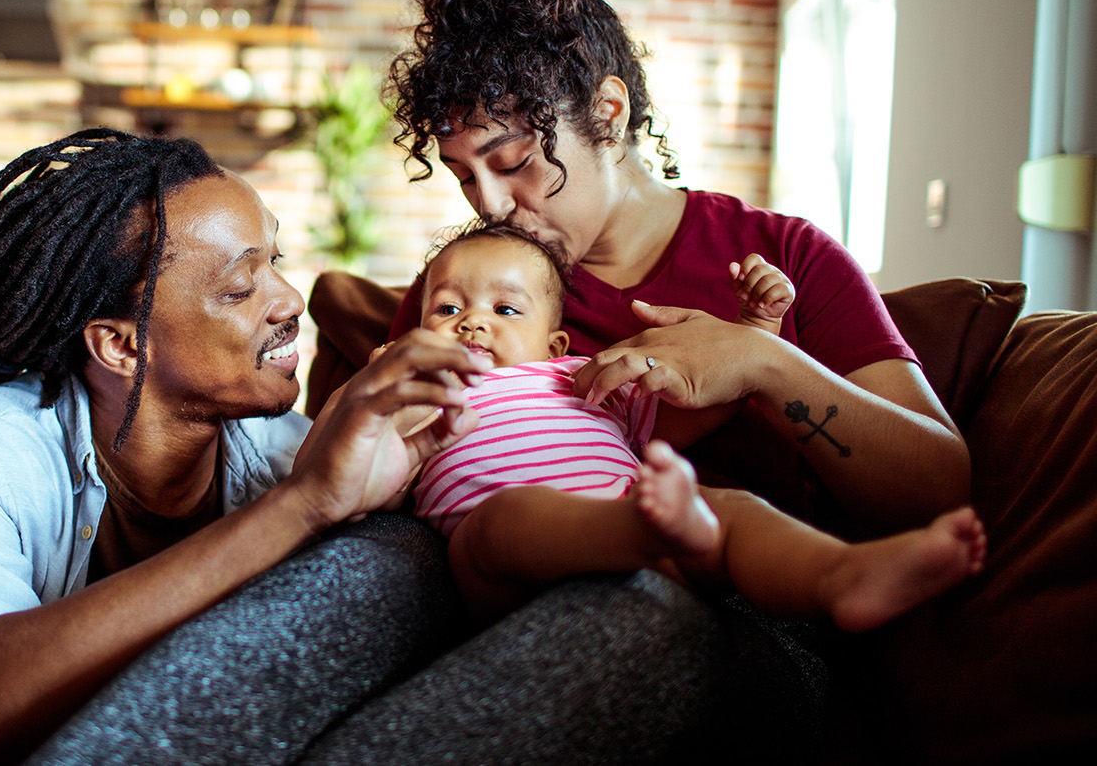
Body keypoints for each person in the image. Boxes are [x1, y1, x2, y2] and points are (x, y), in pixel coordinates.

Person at [343, 0, 973, 761]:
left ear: (608, 111)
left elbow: (939, 486)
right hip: (497, 581)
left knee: (626, 613)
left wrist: (760, 357)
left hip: (730, 615)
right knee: (331, 587)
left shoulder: (784, 256)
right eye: (464, 174)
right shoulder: (468, 291)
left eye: (515, 159)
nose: (487, 206)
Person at [0, 128, 493, 766]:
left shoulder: (286, 458)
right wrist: (299, 509)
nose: (290, 300)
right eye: (241, 289)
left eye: (275, 261)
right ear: (121, 345)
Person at [401, 223, 985, 628]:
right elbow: (365, 471)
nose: (472, 323)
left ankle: (842, 575)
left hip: (652, 527)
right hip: (506, 563)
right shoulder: (417, 385)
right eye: (448, 308)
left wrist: (753, 333)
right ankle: (645, 528)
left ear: (554, 344)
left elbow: (695, 411)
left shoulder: (581, 376)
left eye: (505, 310)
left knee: (730, 510)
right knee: (506, 520)